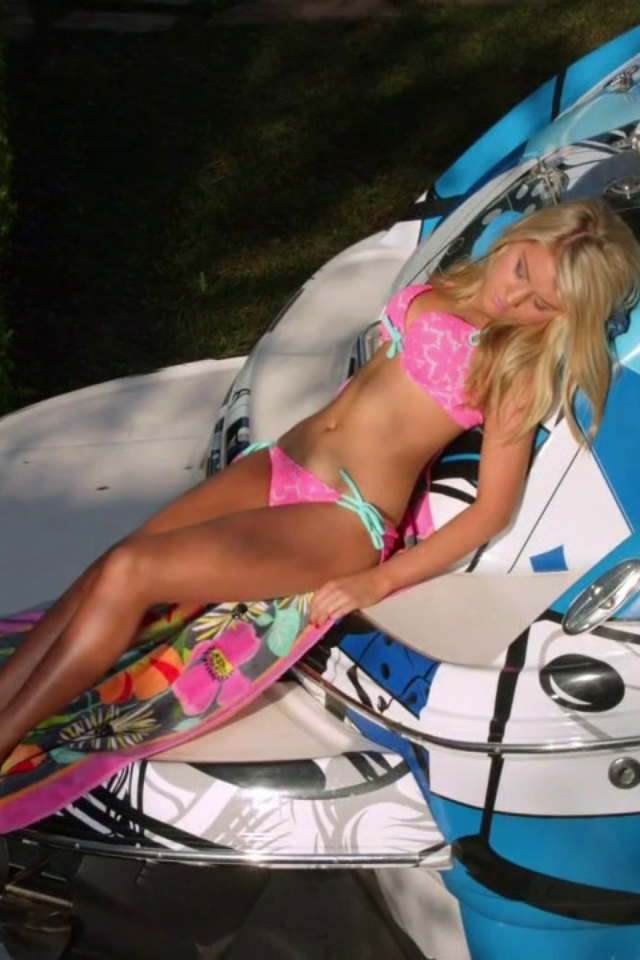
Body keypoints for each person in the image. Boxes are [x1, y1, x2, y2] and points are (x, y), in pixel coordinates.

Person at [0, 197, 639, 769]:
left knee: (130, 572)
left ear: (563, 318)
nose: (516, 299)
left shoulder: (514, 367)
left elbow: (491, 511)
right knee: (114, 561)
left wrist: (379, 581)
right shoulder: (456, 286)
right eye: (521, 270)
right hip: (284, 461)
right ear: (515, 241)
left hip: (343, 515)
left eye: (542, 304)